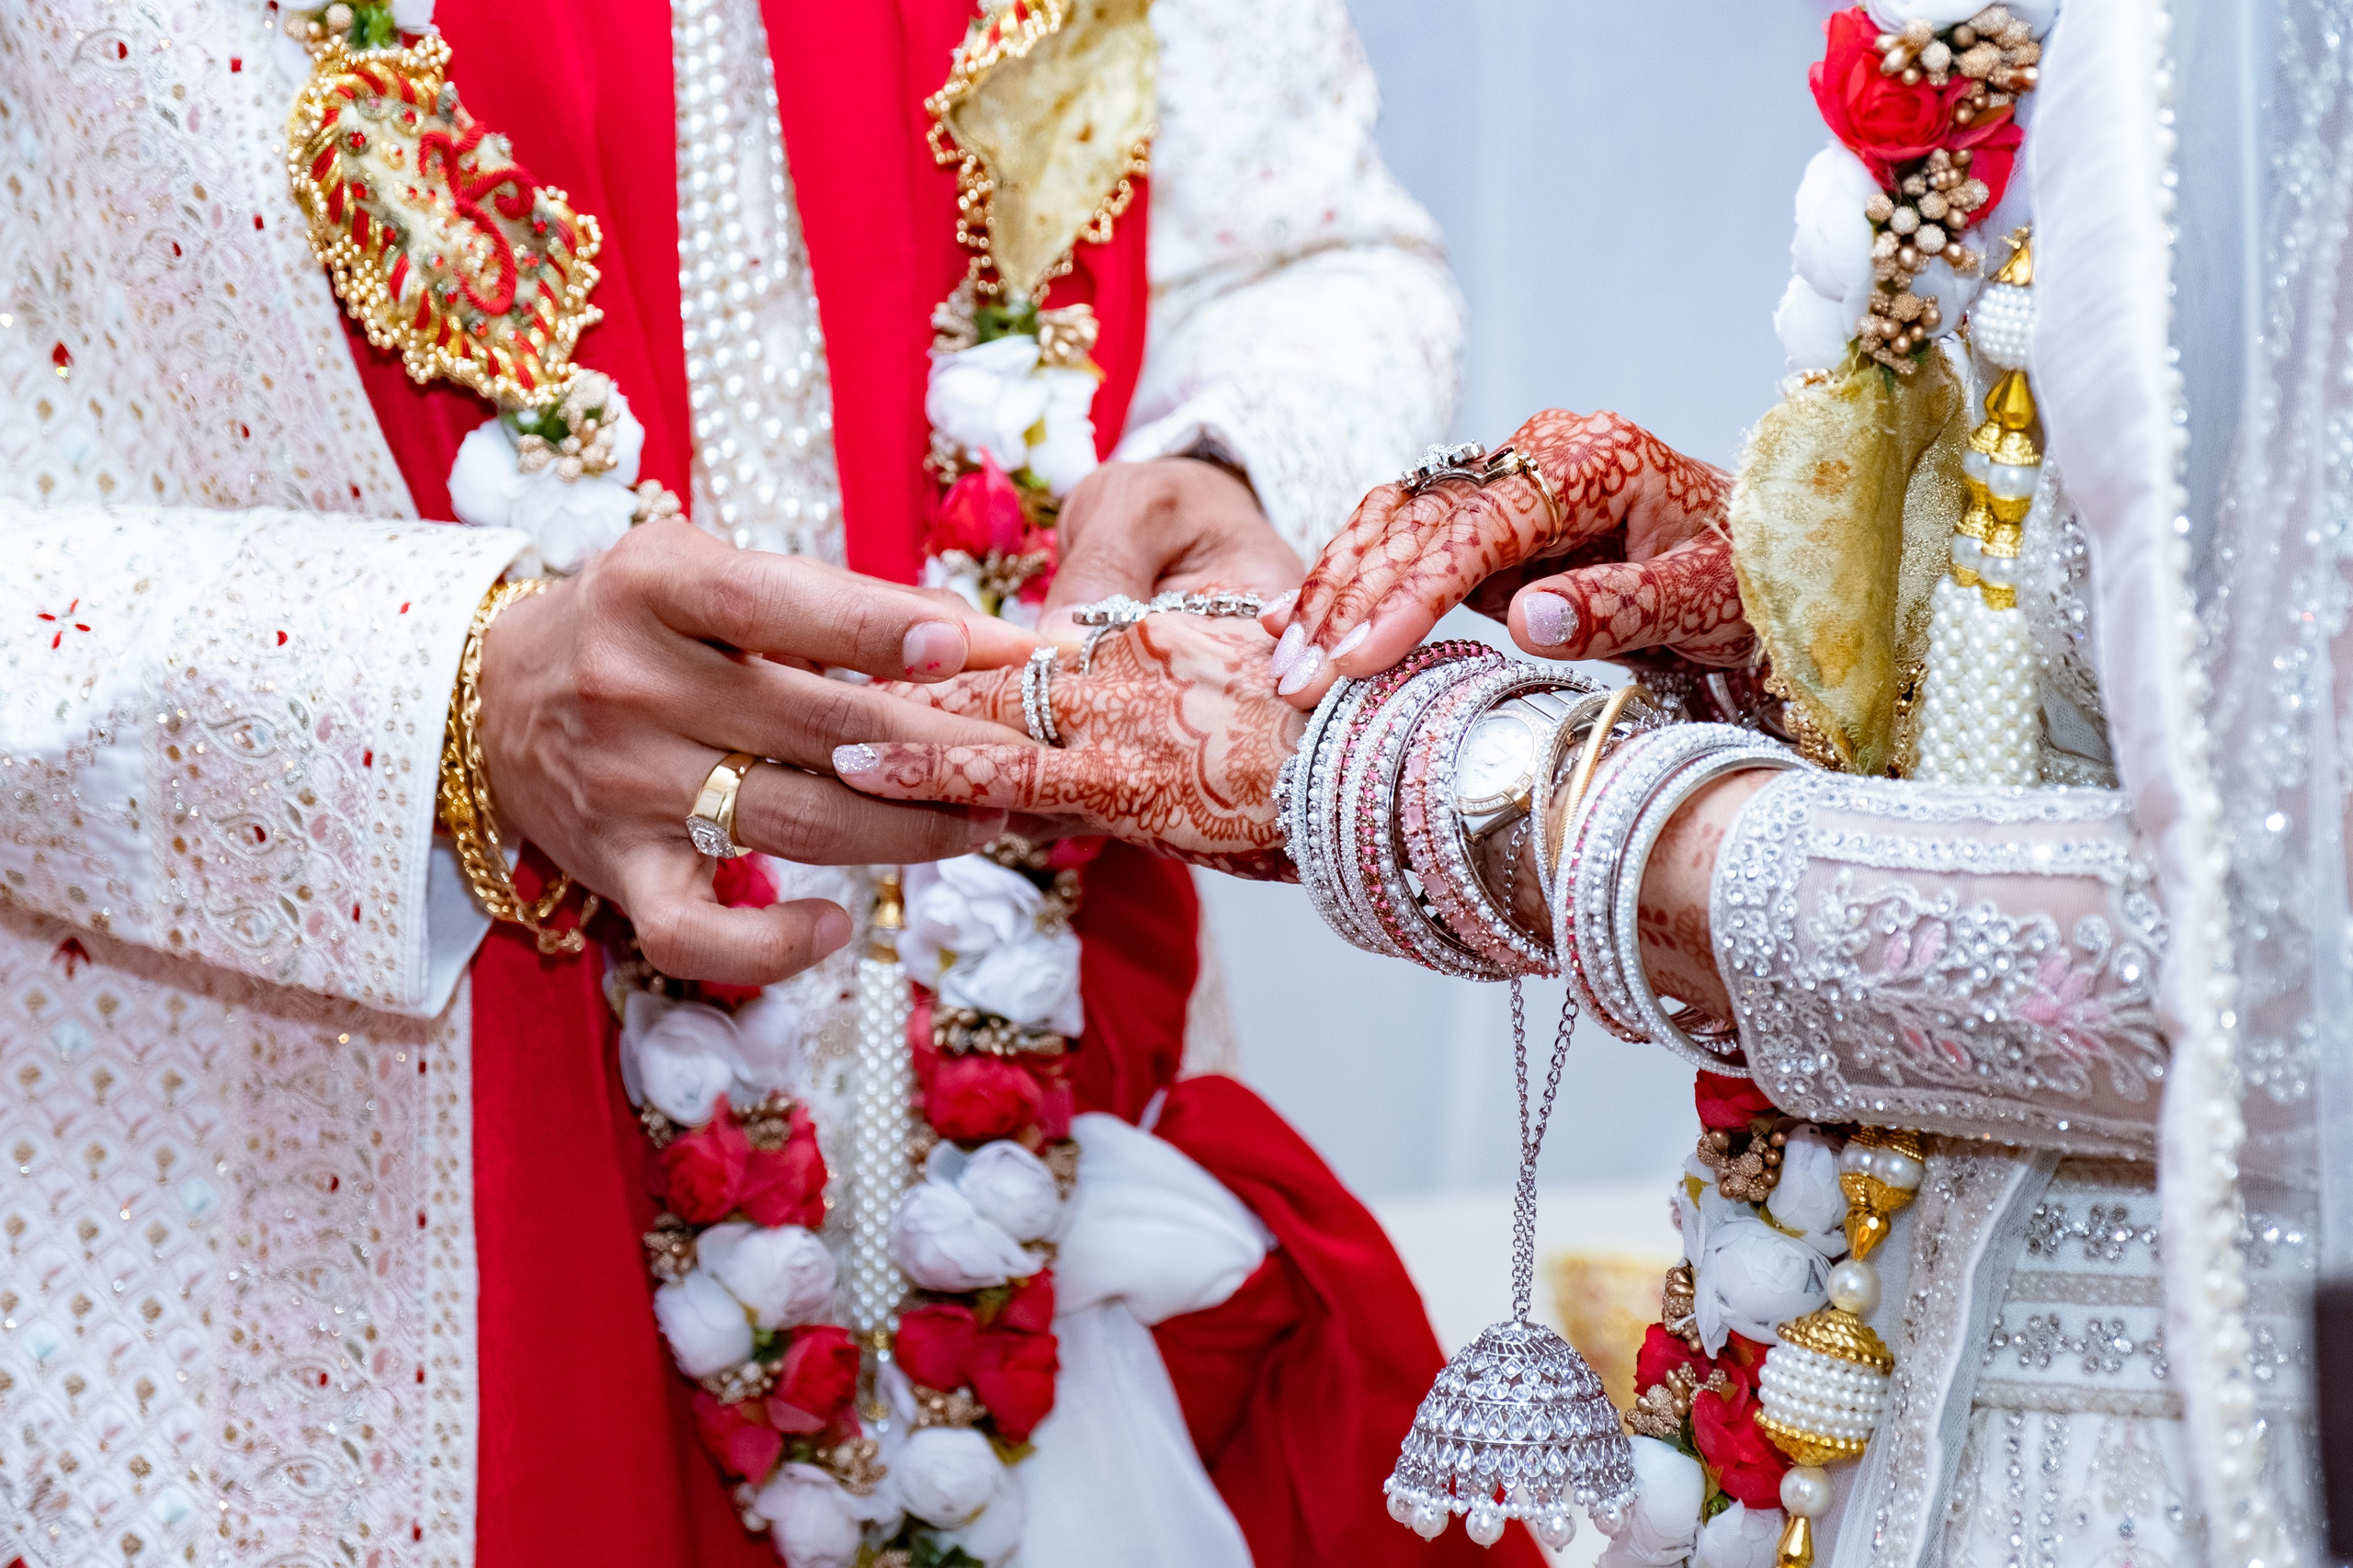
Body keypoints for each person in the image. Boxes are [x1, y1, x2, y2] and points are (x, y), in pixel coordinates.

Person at [837, 0, 2347, 1563]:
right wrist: (1781, 617)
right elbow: (2117, 685)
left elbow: (2298, 953)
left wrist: (1479, 792)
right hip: (1867, 1386)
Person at [0, 2, 1495, 1565]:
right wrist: (443, 697)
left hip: (1068, 1249)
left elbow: (1305, 245)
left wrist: (1232, 468)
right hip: (308, 1322)